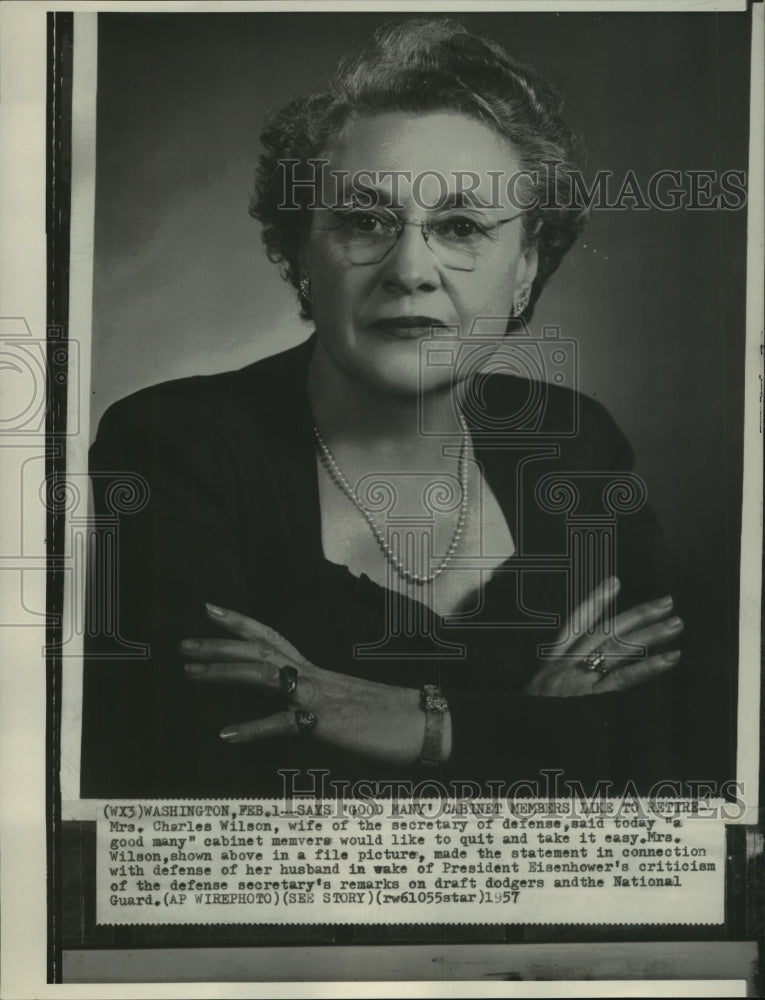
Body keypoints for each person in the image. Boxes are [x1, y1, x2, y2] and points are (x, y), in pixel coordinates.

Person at [81, 19, 684, 799]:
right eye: (363, 221)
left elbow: (670, 751)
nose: (409, 270)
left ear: (526, 265)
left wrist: (422, 724)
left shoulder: (575, 443)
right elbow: (204, 774)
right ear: (301, 251)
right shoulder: (171, 443)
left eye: (461, 226)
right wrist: (539, 730)